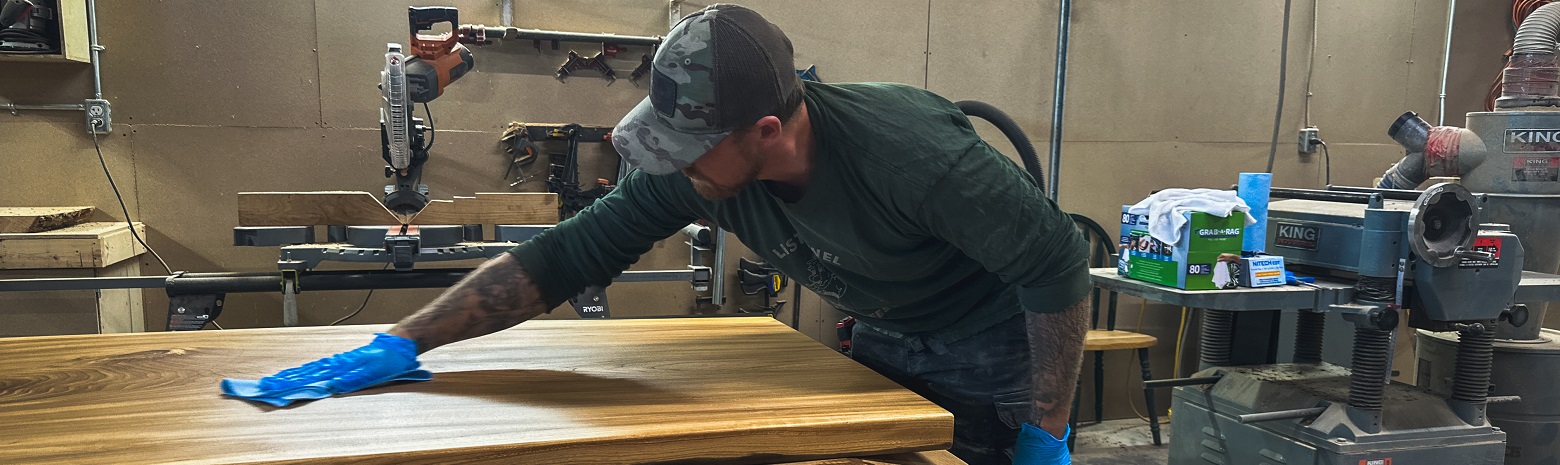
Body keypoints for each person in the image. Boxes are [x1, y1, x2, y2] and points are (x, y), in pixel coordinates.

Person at [236, 5, 1090, 464]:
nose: (673, 170)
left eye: (689, 151)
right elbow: (564, 257)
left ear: (766, 129)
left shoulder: (912, 155)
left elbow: (1057, 262)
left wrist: (1046, 431)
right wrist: (396, 344)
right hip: (885, 329)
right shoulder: (702, 172)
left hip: (994, 345)